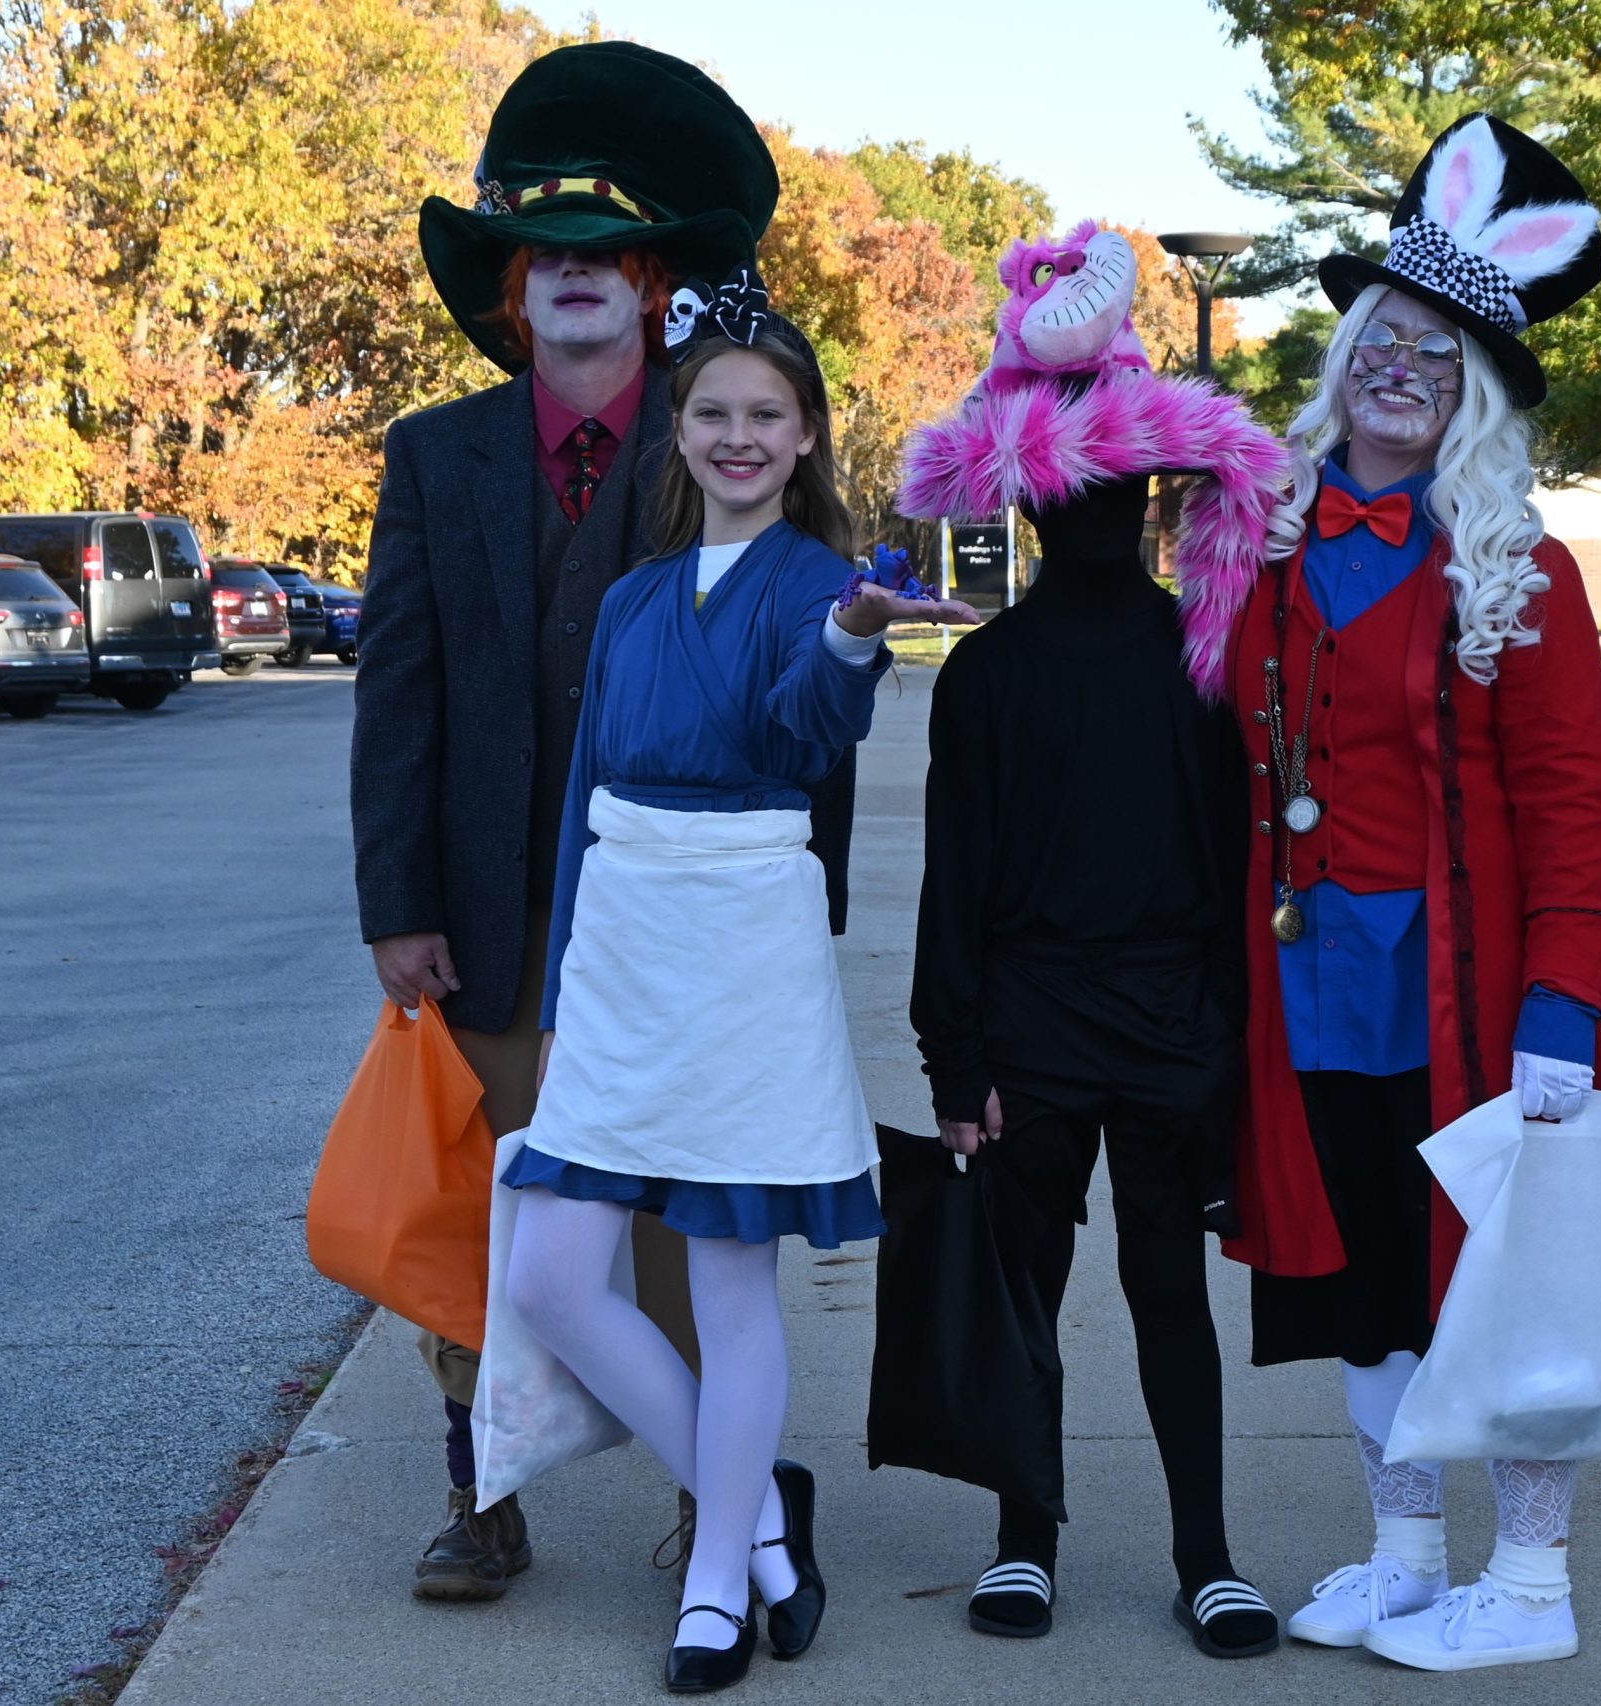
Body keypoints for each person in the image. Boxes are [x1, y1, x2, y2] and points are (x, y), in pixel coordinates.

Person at [350, 42, 823, 1600]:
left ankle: (716, 1495)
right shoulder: (433, 457)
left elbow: (798, 685)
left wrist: (793, 909)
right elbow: (397, 698)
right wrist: (394, 900)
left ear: (650, 283)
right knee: (486, 1219)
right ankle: (481, 1488)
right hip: (483, 914)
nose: (570, 279)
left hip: (678, 924)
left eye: (602, 253)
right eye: (539, 256)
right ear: (510, 294)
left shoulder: (728, 449)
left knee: (688, 1220)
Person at [1176, 114, 1601, 1672]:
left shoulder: (1520, 568)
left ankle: (1535, 1581)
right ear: (1348, 345)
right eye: (1386, 335)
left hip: (1475, 993)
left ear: (1472, 393)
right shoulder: (1266, 545)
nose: (1403, 368)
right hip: (1313, 973)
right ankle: (1408, 1550)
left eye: (1439, 355)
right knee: (1363, 1273)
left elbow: (1572, 810)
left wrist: (1563, 1006)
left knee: (1499, 1289)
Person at [502, 275, 979, 1695]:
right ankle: (760, 1500)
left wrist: (853, 636)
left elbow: (800, 731)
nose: (738, 435)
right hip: (626, 945)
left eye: (768, 415)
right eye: (712, 410)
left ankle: (718, 1581)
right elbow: (586, 784)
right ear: (679, 431)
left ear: (809, 438)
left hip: (745, 935)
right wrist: (567, 978)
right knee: (549, 1274)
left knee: (728, 1271)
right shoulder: (637, 596)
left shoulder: (819, 588)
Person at [900, 222, 1292, 1660]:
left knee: (1167, 1289)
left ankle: (1208, 1552)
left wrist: (1227, 1048)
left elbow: (1228, 868)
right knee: (1027, 1289)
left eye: (1118, 477)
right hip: (1030, 1023)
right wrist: (958, 1058)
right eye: (1071, 477)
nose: (1094, 500)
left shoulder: (1201, 656)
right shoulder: (987, 676)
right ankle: (1025, 1537)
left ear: (1152, 484)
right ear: (1029, 483)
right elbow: (958, 877)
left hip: (1171, 1022)